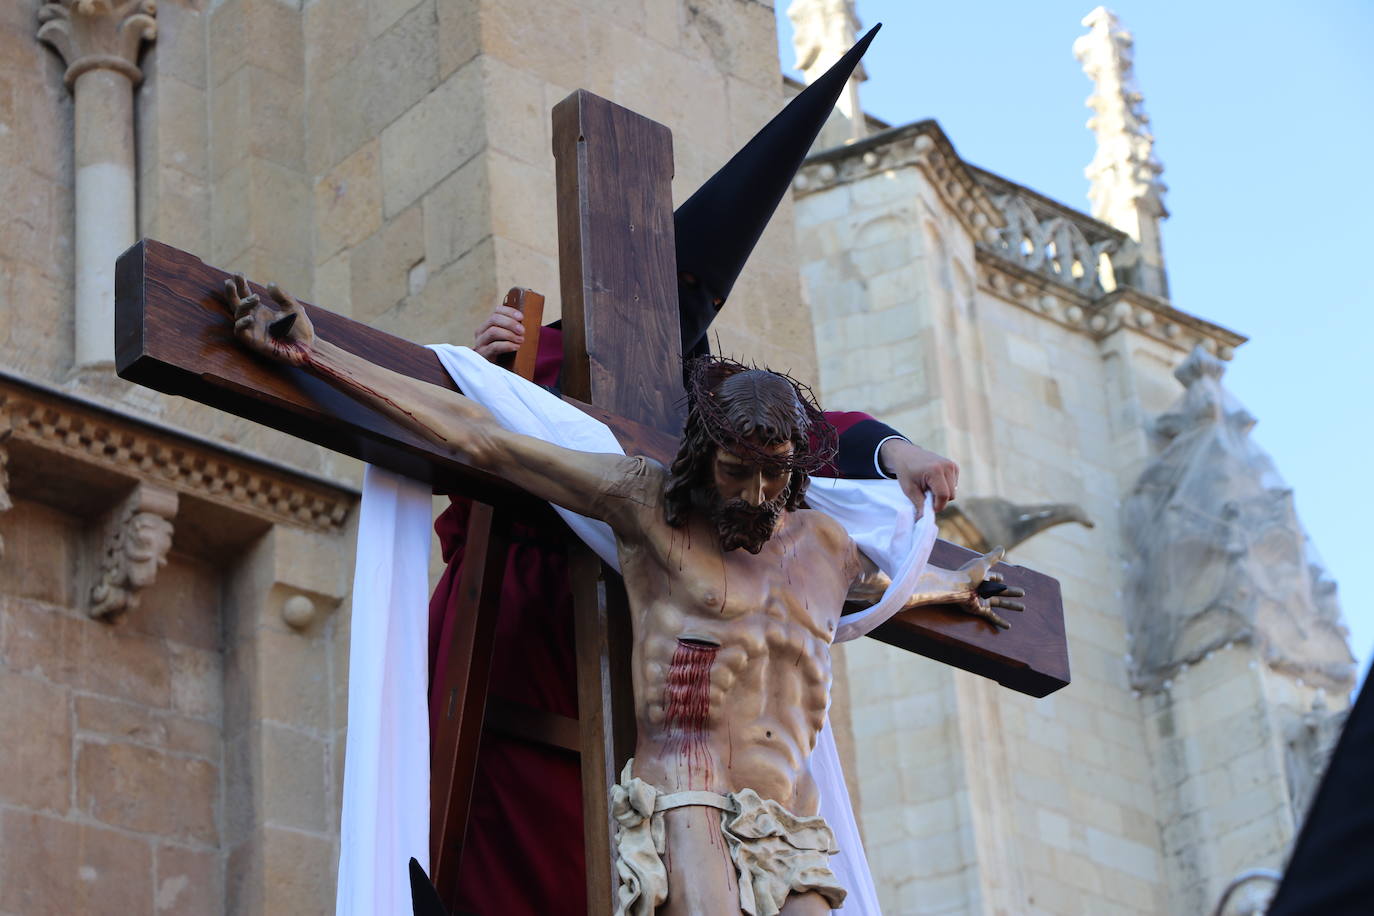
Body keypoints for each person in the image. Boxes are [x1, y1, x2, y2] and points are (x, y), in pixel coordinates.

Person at [224, 277, 1022, 915]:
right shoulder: (648, 509)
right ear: (702, 459)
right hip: (690, 797)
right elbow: (482, 437)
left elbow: (878, 596)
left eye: (773, 474)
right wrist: (320, 357)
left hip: (790, 815)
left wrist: (956, 585)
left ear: (797, 471)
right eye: (735, 470)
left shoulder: (826, 548)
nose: (753, 492)